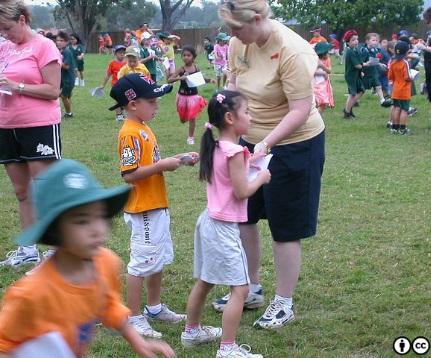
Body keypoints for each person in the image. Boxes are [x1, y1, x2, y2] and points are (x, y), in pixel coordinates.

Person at [217, 0, 326, 330]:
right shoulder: (240, 42)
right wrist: (225, 121)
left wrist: (266, 143)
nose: (232, 35)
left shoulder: (293, 51)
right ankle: (250, 287)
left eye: (237, 27)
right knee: (244, 216)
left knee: (284, 226)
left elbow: (300, 109)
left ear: (259, 18)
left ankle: (284, 302)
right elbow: (233, 86)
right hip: (250, 140)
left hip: (295, 145)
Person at [0, 159, 176, 358]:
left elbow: (108, 304)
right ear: (55, 230)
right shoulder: (31, 295)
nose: (97, 229)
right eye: (82, 221)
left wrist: (138, 342)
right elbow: (4, 345)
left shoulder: (106, 262)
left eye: (100, 216)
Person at [181, 91, 270, 357]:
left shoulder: (218, 146)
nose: (251, 116)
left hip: (208, 221)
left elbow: (231, 173)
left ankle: (192, 331)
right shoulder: (234, 152)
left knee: (206, 280)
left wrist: (252, 158)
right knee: (241, 288)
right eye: (248, 112)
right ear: (230, 118)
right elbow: (242, 191)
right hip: (223, 228)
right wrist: (262, 177)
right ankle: (228, 349)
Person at [111, 74, 198, 338]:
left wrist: (177, 159)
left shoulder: (143, 127)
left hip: (156, 205)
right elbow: (129, 173)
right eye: (152, 101)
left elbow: (152, 163)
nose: (156, 106)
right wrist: (162, 165)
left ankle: (155, 307)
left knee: (156, 260)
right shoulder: (129, 133)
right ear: (133, 104)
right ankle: (135, 316)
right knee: (141, 264)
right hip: (143, 209)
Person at [0, 0, 62, 267]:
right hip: (6, 126)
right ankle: (27, 249)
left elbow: (53, 90)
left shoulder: (44, 46)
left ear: (23, 20)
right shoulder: (4, 48)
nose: (4, 34)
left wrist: (18, 86)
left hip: (38, 126)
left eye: (7, 28)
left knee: (46, 189)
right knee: (21, 191)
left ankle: (55, 248)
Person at [168, 45, 208, 145]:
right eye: (184, 55)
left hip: (193, 97)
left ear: (193, 57)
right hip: (182, 96)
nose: (186, 57)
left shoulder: (196, 68)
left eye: (188, 55)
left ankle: (190, 137)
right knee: (182, 119)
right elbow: (169, 80)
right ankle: (183, 118)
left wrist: (208, 80)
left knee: (192, 117)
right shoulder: (181, 69)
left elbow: (201, 78)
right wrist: (179, 78)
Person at [360, 33, 393, 108]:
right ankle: (355, 100)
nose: (375, 42)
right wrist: (363, 69)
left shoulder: (376, 50)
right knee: (362, 89)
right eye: (373, 40)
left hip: (374, 72)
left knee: (378, 86)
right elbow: (360, 63)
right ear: (367, 41)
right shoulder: (364, 51)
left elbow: (375, 61)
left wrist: (381, 64)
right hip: (366, 73)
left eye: (376, 40)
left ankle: (382, 100)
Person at [388, 41, 412, 135]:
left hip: (395, 89)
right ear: (406, 52)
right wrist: (412, 77)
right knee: (404, 110)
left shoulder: (393, 63)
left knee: (396, 108)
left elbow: (390, 76)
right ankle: (402, 129)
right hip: (404, 90)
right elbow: (407, 77)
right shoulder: (405, 63)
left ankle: (394, 128)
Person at [99, 45, 127, 121]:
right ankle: (118, 115)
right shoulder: (112, 63)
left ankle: (123, 113)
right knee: (117, 100)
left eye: (123, 53)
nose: (122, 54)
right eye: (120, 53)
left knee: (125, 100)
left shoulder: (127, 63)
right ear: (115, 54)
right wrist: (103, 85)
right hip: (116, 85)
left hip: (125, 85)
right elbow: (108, 75)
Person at [343, 29, 364, 118]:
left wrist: (361, 71)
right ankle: (347, 112)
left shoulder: (356, 50)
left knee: (361, 90)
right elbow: (358, 65)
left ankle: (349, 107)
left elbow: (360, 63)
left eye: (357, 39)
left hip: (357, 75)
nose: (356, 41)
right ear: (348, 42)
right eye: (353, 40)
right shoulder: (350, 51)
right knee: (352, 94)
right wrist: (367, 65)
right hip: (351, 76)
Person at [56, 31, 76, 118]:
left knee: (63, 96)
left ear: (66, 42)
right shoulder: (61, 51)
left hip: (68, 79)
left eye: (61, 40)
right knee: (63, 95)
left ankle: (69, 113)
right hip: (62, 78)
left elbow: (66, 66)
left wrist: (57, 61)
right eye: (57, 40)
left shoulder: (66, 51)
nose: (59, 42)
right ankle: (65, 111)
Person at [313, 42, 334, 112]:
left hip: (324, 85)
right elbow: (311, 72)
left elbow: (329, 71)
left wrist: (322, 66)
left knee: (323, 104)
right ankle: (315, 118)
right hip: (316, 85)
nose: (328, 54)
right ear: (322, 53)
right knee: (321, 104)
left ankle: (316, 119)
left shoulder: (327, 60)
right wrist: (321, 73)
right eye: (327, 52)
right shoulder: (315, 60)